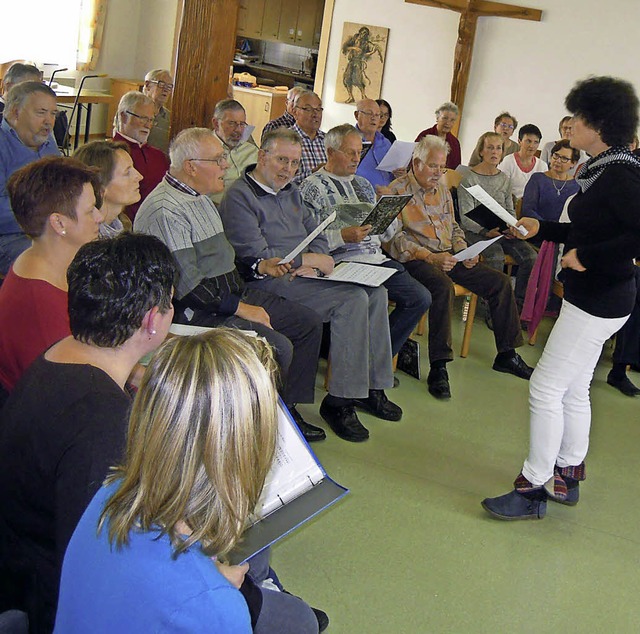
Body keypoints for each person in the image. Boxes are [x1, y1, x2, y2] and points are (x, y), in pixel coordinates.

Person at [55, 328, 323, 634]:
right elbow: (196, 603)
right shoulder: (220, 613)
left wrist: (207, 574)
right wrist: (210, 587)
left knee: (257, 552)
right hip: (198, 598)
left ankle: (262, 584)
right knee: (302, 621)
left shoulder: (111, 489)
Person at [0, 233, 176, 633]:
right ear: (153, 320)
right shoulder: (103, 424)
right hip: (51, 593)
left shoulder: (60, 353)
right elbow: (102, 570)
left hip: (22, 550)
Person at [482, 76, 640, 520]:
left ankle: (532, 487)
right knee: (573, 387)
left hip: (599, 300)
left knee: (545, 386)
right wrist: (542, 229)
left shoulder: (621, 175)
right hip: (599, 298)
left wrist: (585, 257)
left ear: (600, 124)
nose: (569, 127)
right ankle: (567, 473)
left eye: (578, 120)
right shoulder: (602, 167)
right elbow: (592, 229)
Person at [134, 127, 326, 442]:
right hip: (197, 311)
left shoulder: (201, 197)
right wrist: (242, 308)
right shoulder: (167, 210)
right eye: (218, 159)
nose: (227, 165)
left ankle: (287, 412)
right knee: (277, 346)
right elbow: (188, 287)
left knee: (307, 322)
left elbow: (224, 259)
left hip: (229, 294)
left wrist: (258, 266)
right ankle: (257, 431)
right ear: (191, 166)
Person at [220, 128, 402, 442]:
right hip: (269, 282)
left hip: (305, 273)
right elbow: (259, 257)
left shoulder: (290, 190)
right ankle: (340, 401)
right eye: (281, 160)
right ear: (262, 156)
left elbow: (315, 229)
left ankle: (371, 386)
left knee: (377, 293)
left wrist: (316, 260)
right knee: (352, 301)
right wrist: (310, 261)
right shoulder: (239, 197)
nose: (288, 169)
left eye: (294, 162)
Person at [382, 136, 533, 400]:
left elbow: (453, 227)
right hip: (416, 259)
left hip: (448, 255)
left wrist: (463, 250)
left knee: (498, 282)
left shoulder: (441, 190)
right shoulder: (396, 190)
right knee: (441, 287)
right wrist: (430, 257)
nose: (439, 173)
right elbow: (394, 240)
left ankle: (507, 354)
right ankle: (439, 367)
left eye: (442, 168)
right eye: (433, 167)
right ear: (416, 163)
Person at [299, 123, 431, 358]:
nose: (356, 158)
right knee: (372, 301)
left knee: (420, 298)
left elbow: (386, 235)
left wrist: (389, 215)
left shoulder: (363, 185)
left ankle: (374, 358)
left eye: (359, 152)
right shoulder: (311, 187)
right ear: (330, 152)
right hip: (340, 263)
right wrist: (342, 236)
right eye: (349, 152)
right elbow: (306, 241)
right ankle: (362, 361)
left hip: (375, 258)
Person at [0, 157, 104, 395]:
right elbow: (73, 393)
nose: (99, 217)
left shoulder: (43, 262)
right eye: (90, 211)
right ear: (58, 223)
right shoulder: (39, 303)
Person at [458, 131, 537, 310]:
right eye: (490, 148)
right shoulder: (469, 179)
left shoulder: (504, 179)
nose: (494, 152)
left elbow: (509, 209)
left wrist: (512, 226)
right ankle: (493, 308)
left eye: (498, 148)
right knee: (495, 256)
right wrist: (486, 231)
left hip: (501, 230)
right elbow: (465, 217)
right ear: (481, 152)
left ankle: (516, 305)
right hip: (476, 231)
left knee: (531, 256)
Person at [0, 81, 61, 274]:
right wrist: (43, 210)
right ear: (15, 113)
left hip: (52, 228)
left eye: (53, 113)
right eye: (41, 112)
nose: (49, 121)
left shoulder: (48, 142)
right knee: (54, 262)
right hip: (11, 237)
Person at [113, 91, 169, 221]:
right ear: (124, 117)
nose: (148, 125)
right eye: (143, 118)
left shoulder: (159, 156)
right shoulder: (111, 154)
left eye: (151, 120)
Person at [73, 140, 142, 237]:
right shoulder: (86, 239)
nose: (139, 176)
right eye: (127, 173)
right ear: (101, 188)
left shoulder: (123, 225)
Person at [210, 98, 259, 204]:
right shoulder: (204, 150)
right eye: (231, 123)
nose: (238, 130)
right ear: (216, 123)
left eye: (242, 124)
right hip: (218, 209)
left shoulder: (252, 151)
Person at [521, 139, 580, 223]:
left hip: (564, 232)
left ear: (573, 163)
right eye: (556, 155)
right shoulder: (537, 179)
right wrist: (547, 228)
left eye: (564, 158)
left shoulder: (576, 186)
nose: (558, 161)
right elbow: (528, 210)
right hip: (537, 229)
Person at [354, 98, 396, 189]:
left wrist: (398, 174)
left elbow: (391, 174)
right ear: (357, 115)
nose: (374, 118)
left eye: (377, 115)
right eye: (369, 113)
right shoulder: (348, 141)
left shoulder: (386, 142)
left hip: (386, 196)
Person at [499, 123, 547, 200]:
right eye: (528, 141)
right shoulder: (508, 162)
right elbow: (501, 190)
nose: (532, 146)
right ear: (519, 141)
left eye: (536, 142)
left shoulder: (542, 166)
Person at [341, 25, 384, 103]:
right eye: (363, 32)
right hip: (351, 62)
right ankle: (351, 97)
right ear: (360, 32)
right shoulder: (353, 39)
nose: (364, 35)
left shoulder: (365, 43)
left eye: (366, 34)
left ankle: (363, 96)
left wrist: (372, 52)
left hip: (358, 62)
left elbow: (365, 54)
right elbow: (345, 47)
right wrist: (354, 48)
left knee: (358, 79)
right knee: (347, 79)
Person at [290, 91, 326, 185]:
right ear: (295, 112)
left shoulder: (328, 140)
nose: (315, 114)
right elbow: (278, 179)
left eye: (318, 109)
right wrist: (313, 174)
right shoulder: (285, 140)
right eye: (308, 109)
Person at [415, 101, 462, 169]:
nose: (448, 123)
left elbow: (456, 168)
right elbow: (414, 160)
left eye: (452, 120)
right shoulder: (424, 136)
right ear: (437, 118)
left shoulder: (455, 142)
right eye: (445, 118)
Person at [142, 68, 174, 153]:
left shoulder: (170, 117)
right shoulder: (133, 111)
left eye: (169, 86)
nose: (166, 90)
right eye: (162, 84)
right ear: (148, 85)